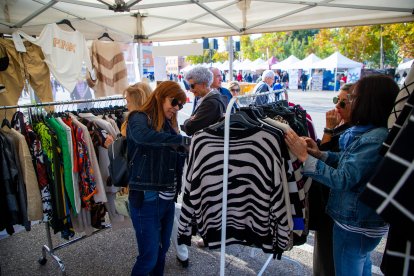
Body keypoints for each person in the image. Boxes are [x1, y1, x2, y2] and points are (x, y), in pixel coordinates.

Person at [285, 75, 399, 276]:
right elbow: (348, 162)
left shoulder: (373, 138)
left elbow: (343, 179)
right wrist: (320, 154)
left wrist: (304, 157)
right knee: (361, 264)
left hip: (354, 224)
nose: (347, 103)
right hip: (360, 222)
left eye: (353, 98)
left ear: (368, 102)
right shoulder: (373, 133)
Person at [127, 80, 189, 276]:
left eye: (181, 105)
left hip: (167, 199)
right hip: (147, 198)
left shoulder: (168, 125)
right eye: (174, 102)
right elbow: (143, 136)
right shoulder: (139, 117)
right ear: (160, 96)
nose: (177, 107)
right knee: (149, 257)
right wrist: (179, 140)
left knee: (161, 252)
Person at [309, 83, 354, 276]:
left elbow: (329, 163)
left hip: (335, 207)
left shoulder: (353, 133)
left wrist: (328, 131)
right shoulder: (346, 128)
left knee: (329, 262)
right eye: (336, 100)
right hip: (331, 206)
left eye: (343, 103)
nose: (337, 107)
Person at [182, 66, 226, 136]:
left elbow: (190, 128)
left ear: (203, 84)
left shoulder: (210, 103)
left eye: (192, 86)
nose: (190, 89)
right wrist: (191, 120)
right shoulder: (211, 98)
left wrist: (187, 121)